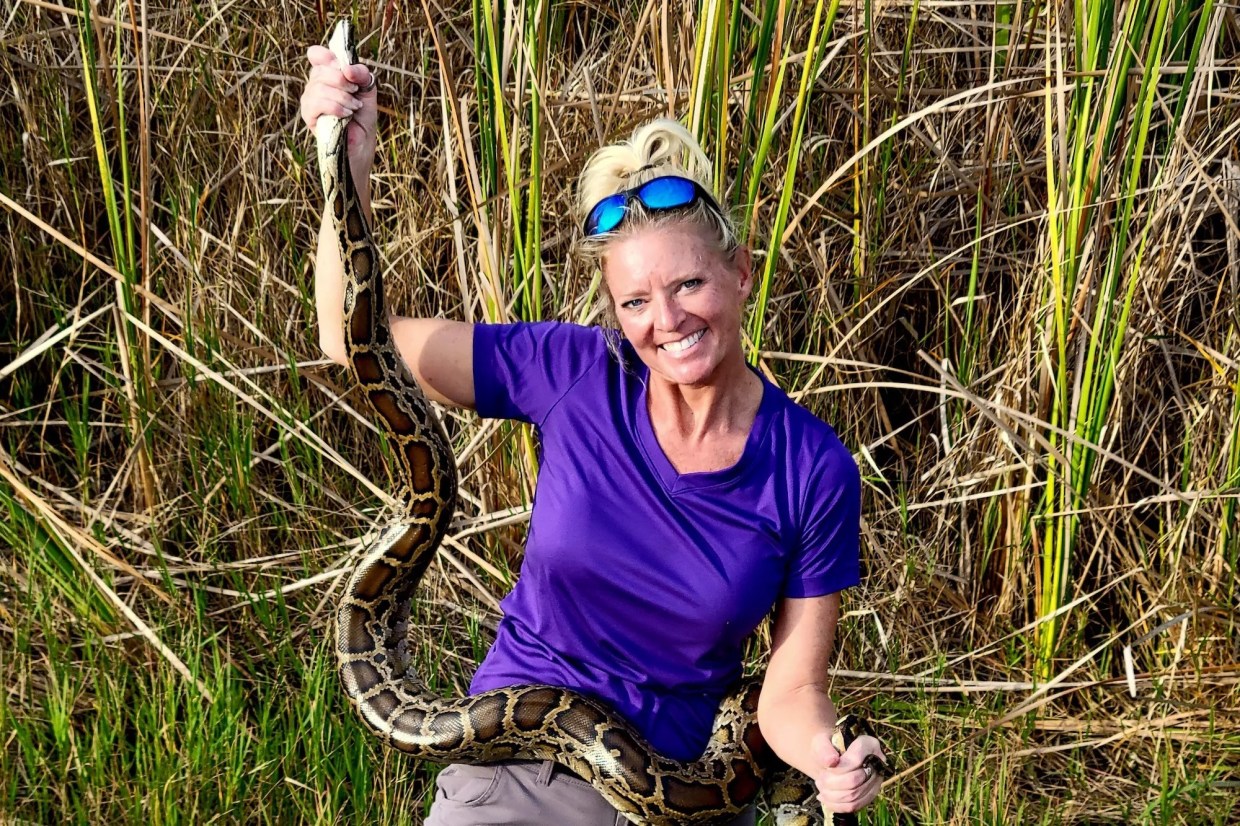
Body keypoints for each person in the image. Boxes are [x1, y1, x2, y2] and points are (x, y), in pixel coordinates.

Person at [300, 44, 885, 826]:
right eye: (636, 300)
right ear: (614, 310)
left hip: (685, 795)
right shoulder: (575, 371)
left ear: (741, 273)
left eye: (688, 285)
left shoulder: (811, 468)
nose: (667, 321)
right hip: (518, 778)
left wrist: (830, 756)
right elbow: (351, 338)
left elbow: (791, 691)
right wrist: (345, 162)